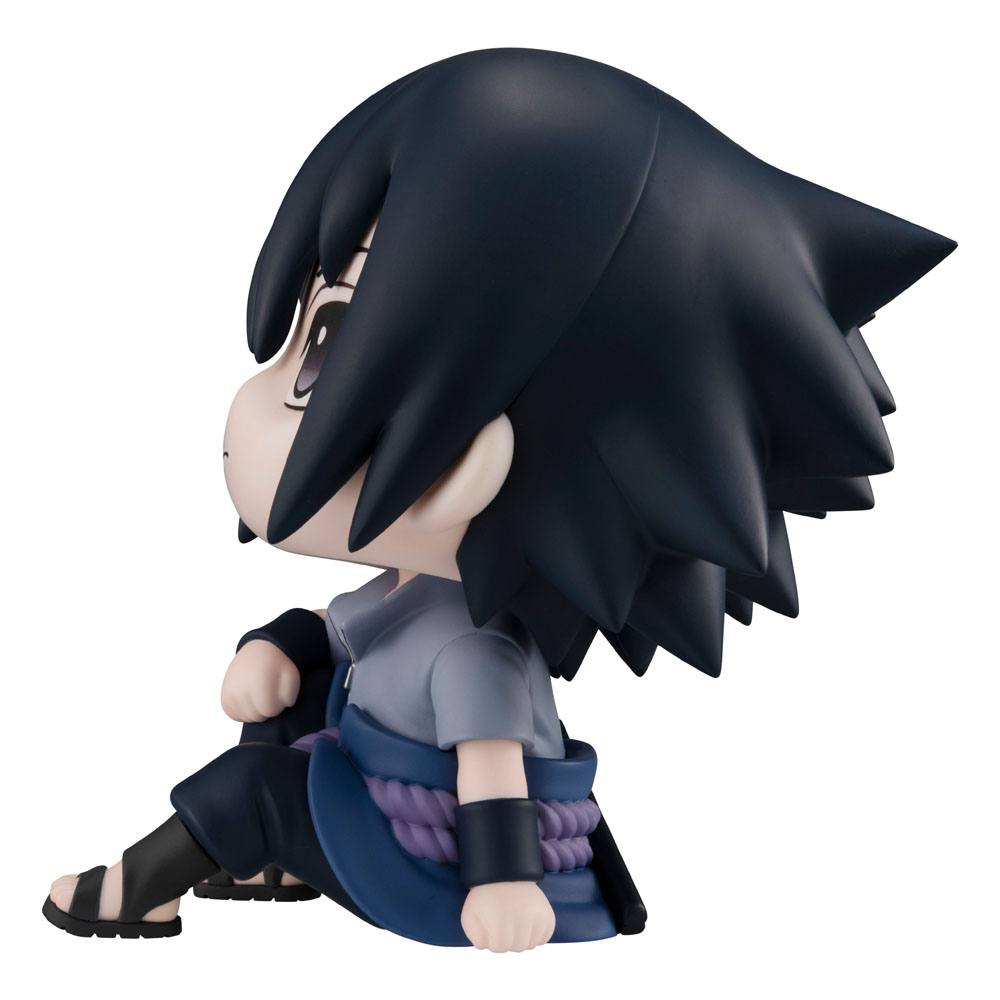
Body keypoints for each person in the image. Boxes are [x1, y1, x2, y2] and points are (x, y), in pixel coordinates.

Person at [42, 48, 954, 952]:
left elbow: (490, 769)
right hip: (374, 783)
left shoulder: (477, 652)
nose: (257, 397)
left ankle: (135, 890)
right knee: (288, 703)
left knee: (248, 787)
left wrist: (503, 883)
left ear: (471, 460)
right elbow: (343, 632)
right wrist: (276, 643)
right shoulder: (424, 598)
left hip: (422, 858)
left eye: (324, 346)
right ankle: (269, 862)